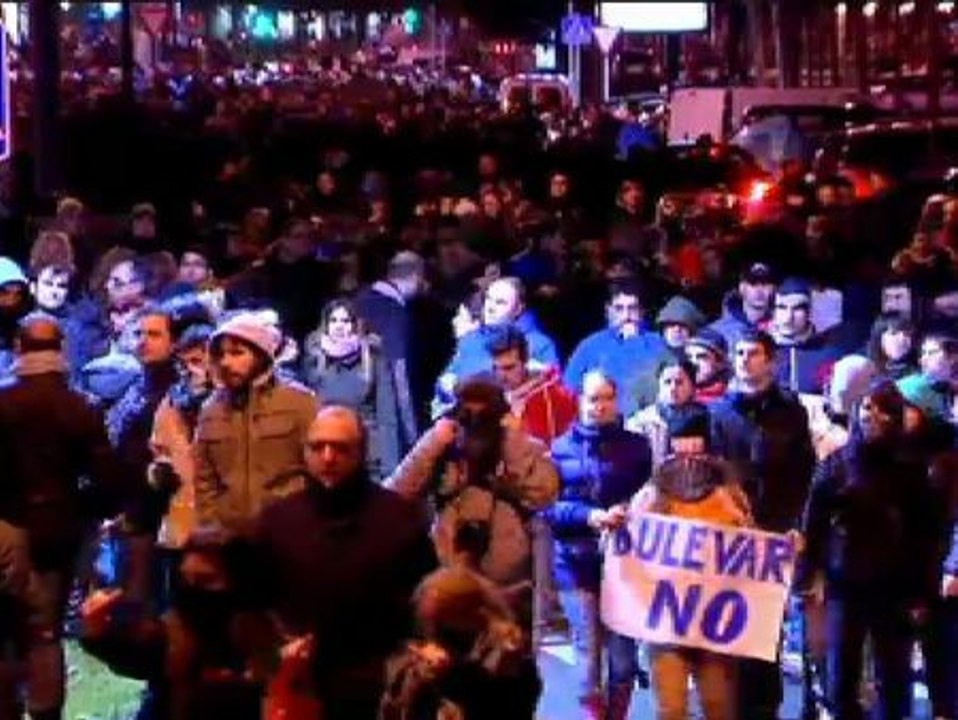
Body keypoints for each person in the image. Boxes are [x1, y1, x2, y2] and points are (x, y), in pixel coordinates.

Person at [253, 406, 437, 720]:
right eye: (318, 447)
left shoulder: (399, 519)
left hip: (377, 682)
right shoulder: (276, 521)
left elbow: (425, 596)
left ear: (361, 453)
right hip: (299, 680)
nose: (328, 457)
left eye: (340, 448)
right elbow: (256, 600)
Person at [0, 314, 125, 720]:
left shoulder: (4, 405)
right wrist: (83, 509)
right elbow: (107, 480)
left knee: (4, 629)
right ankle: (45, 711)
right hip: (59, 529)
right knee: (45, 630)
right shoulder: (80, 408)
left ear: (19, 349)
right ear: (62, 351)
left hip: (5, 526)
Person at [798, 381, 938, 720]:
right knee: (840, 676)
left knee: (893, 677)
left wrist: (922, 592)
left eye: (881, 410)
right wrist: (807, 576)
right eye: (866, 408)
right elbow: (812, 524)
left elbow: (926, 534)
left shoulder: (912, 468)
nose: (870, 416)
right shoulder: (837, 464)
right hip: (844, 582)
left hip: (896, 585)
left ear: (895, 417)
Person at [388, 377, 560, 626]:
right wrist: (432, 444)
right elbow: (394, 496)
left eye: (485, 417)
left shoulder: (522, 448)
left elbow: (546, 494)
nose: (476, 425)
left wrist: (512, 444)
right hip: (448, 583)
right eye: (468, 414)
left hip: (509, 590)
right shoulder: (443, 450)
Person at [709, 329, 815, 720]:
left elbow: (805, 474)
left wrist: (799, 526)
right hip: (731, 536)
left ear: (769, 360)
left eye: (752, 353)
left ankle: (765, 710)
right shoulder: (719, 412)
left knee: (767, 631)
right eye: (738, 353)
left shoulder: (791, 410)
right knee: (731, 628)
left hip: (776, 534)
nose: (744, 359)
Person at [79, 528, 280, 720]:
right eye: (186, 579)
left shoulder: (268, 643)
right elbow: (140, 652)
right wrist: (99, 634)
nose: (193, 590)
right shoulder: (177, 631)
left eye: (206, 580)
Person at [632, 411, 753, 720]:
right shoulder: (652, 495)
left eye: (696, 454)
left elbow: (752, 550)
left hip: (716, 622)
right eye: (680, 454)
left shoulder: (731, 495)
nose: (688, 463)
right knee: (671, 710)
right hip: (668, 619)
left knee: (718, 707)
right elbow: (630, 551)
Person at [547, 371, 652, 720]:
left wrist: (629, 509)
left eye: (607, 398)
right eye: (593, 398)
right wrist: (589, 516)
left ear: (616, 401)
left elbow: (653, 496)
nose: (600, 406)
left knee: (623, 660)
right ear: (580, 401)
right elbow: (548, 506)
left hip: (625, 565)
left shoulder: (638, 448)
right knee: (588, 657)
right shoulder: (559, 450)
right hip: (575, 564)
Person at [194, 311, 318, 534]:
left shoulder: (300, 403)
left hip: (290, 535)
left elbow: (320, 471)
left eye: (237, 353)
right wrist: (211, 526)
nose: (227, 362)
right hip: (231, 541)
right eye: (221, 355)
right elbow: (204, 481)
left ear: (261, 355)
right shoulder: (210, 410)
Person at [380, 567, 541, 720]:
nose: (434, 639)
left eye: (442, 629)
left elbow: (502, 704)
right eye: (430, 628)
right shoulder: (418, 671)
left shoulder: (509, 665)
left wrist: (446, 677)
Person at [302, 299, 417, 480]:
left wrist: (390, 469)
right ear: (326, 325)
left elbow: (387, 417)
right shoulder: (314, 359)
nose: (339, 326)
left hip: (367, 456)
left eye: (345, 321)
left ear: (355, 324)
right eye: (334, 321)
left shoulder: (373, 358)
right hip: (327, 453)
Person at [435, 278, 559, 412]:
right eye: (488, 299)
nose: (490, 308)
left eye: (500, 303)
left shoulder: (540, 344)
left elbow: (551, 389)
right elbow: (445, 382)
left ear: (518, 309)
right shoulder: (470, 339)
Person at [564, 279, 670, 417]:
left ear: (642, 311)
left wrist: (634, 343)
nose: (626, 316)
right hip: (603, 420)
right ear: (608, 311)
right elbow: (570, 389)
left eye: (632, 308)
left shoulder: (658, 343)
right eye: (619, 308)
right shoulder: (590, 346)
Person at [487, 326, 577, 446]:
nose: (501, 376)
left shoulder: (554, 396)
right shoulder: (491, 394)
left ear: (525, 361)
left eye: (509, 368)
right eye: (495, 368)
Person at [626, 359, 708, 468]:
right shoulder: (640, 423)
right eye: (667, 382)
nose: (673, 388)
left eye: (679, 382)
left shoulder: (709, 418)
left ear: (692, 387)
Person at [769, 277, 839, 394]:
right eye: (782, 308)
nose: (788, 317)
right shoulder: (758, 350)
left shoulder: (829, 355)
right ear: (773, 312)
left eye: (797, 309)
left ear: (809, 312)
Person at [708, 262, 776, 350]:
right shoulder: (717, 330)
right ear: (742, 288)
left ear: (774, 288)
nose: (759, 291)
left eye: (765, 284)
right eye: (753, 284)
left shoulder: (783, 328)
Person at [866, 313, 918, 381]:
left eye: (907, 334)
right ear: (879, 337)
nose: (902, 339)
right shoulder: (863, 367)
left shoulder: (912, 373)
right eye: (894, 333)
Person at [685, 329, 730, 404]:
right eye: (689, 357)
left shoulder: (731, 400)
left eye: (701, 357)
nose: (693, 363)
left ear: (720, 363)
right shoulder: (678, 396)